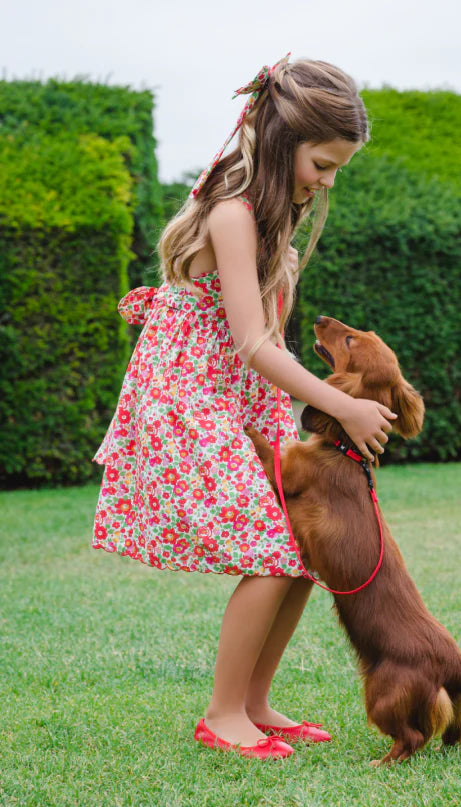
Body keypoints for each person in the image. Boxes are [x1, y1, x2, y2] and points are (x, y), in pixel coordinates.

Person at [92, 55, 397, 759]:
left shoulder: (272, 216)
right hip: (191, 398)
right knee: (268, 548)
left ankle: (257, 702)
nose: (327, 181)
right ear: (285, 141)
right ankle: (223, 713)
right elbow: (255, 342)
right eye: (322, 163)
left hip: (234, 397)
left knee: (295, 550)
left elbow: (264, 340)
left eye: (336, 169)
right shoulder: (233, 214)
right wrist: (340, 408)